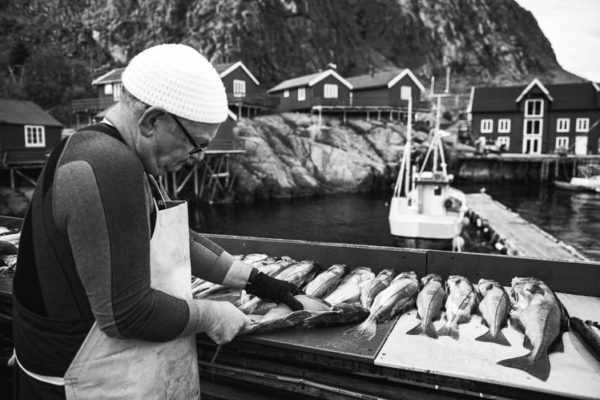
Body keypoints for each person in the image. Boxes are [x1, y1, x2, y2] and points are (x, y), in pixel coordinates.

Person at [12, 44, 303, 400]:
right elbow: (126, 315)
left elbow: (172, 236)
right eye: (196, 144)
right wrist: (212, 315)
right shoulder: (107, 165)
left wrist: (257, 281)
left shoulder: (109, 150)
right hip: (75, 384)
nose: (196, 159)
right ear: (152, 120)